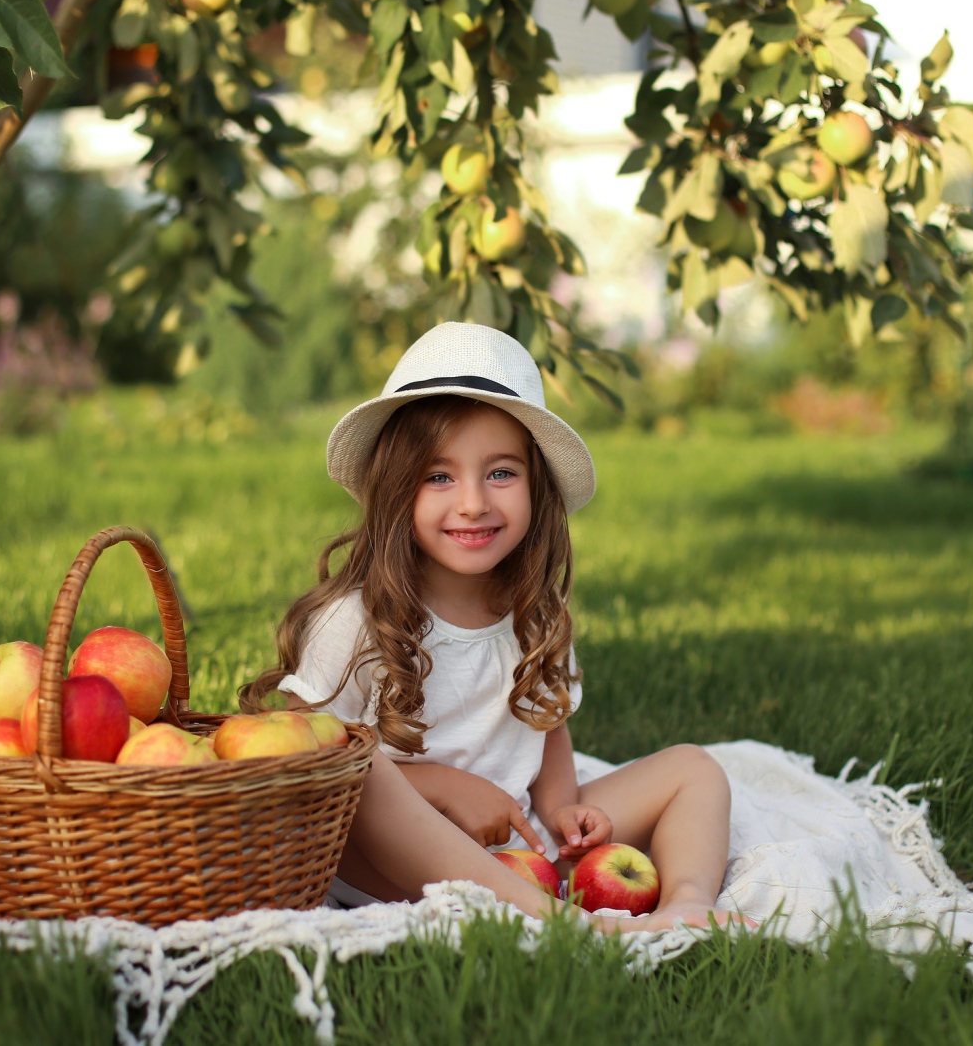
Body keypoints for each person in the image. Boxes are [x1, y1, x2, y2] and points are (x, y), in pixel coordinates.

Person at [241, 322, 739, 930]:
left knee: (695, 768)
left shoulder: (536, 613)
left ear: (537, 488)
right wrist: (444, 786)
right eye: (439, 476)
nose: (474, 502)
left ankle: (688, 903)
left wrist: (561, 811)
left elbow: (547, 724)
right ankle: (566, 924)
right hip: (389, 863)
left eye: (501, 473)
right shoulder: (355, 619)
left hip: (518, 841)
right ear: (398, 491)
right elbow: (296, 745)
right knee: (358, 763)